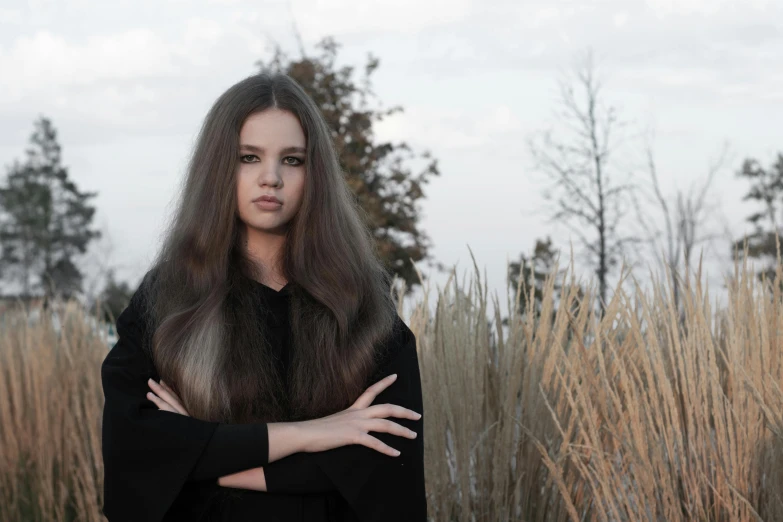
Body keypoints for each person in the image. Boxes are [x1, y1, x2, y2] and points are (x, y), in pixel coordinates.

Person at [100, 72, 427, 522]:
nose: (270, 178)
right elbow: (135, 453)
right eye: (249, 157)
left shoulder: (361, 303)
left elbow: (388, 462)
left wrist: (202, 453)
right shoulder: (168, 300)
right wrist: (317, 434)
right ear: (219, 167)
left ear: (315, 174)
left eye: (292, 160)